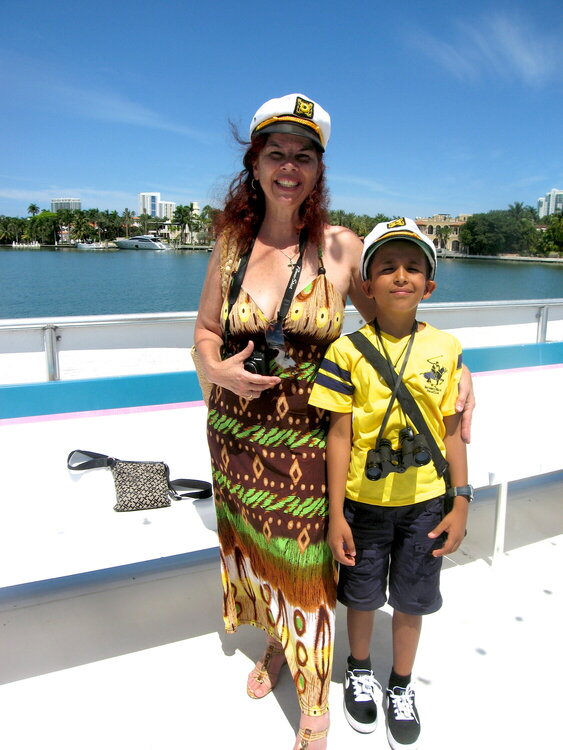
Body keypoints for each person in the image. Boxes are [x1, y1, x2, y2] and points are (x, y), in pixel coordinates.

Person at [194, 94, 474, 750]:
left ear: (318, 168)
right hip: (234, 438)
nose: (289, 167)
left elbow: (389, 322)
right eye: (276, 155)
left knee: (309, 569)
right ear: (254, 164)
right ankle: (274, 649)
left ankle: (315, 706)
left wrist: (458, 369)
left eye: (304, 156)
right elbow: (205, 333)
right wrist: (219, 371)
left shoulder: (340, 247)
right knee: (262, 559)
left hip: (308, 444)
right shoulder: (232, 243)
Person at [308, 217, 472, 750]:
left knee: (412, 600)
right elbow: (338, 435)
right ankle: (359, 668)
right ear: (367, 283)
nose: (400, 276)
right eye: (386, 267)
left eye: (413, 268)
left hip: (427, 504)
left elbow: (450, 429)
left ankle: (400, 682)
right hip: (363, 504)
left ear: (430, 284)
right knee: (360, 594)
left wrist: (462, 500)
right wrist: (336, 515)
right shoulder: (345, 352)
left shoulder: (446, 349)